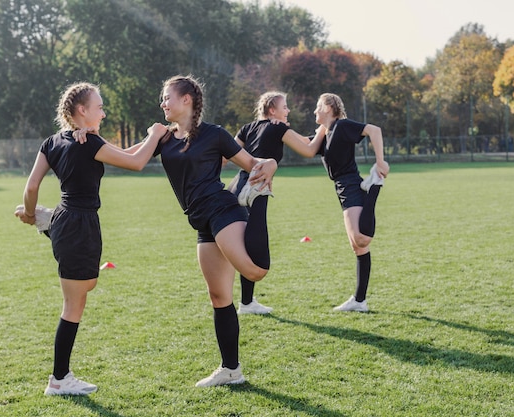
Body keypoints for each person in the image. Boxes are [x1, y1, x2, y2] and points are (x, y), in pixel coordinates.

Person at [14, 82, 168, 396]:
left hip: (71, 220)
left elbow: (31, 188)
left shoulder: (55, 142)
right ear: (82, 110)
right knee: (74, 304)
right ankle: (59, 379)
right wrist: (154, 134)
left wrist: (30, 213)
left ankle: (47, 221)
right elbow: (137, 163)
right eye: (99, 106)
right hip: (79, 224)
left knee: (86, 287)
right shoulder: (88, 142)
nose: (104, 111)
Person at [154, 75, 279, 387]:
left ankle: (257, 200)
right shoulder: (164, 138)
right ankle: (231, 370)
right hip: (200, 221)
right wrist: (87, 133)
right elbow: (122, 155)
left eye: (167, 97)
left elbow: (254, 163)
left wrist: (272, 163)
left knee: (255, 271)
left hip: (222, 210)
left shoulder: (214, 135)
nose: (163, 103)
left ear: (187, 100)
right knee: (219, 295)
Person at [230, 91, 326, 315]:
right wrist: (325, 128)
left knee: (241, 245)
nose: (288, 110)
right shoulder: (277, 128)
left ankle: (246, 302)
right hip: (255, 188)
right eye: (285, 107)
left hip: (235, 187)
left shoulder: (248, 128)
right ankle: (245, 303)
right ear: (272, 110)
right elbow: (310, 149)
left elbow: (226, 156)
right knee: (255, 250)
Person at [313, 93, 389, 312]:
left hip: (351, 184)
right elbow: (306, 145)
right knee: (357, 247)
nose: (315, 111)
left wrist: (380, 161)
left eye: (318, 107)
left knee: (361, 239)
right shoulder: (325, 134)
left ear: (328, 107)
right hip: (342, 187)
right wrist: (280, 128)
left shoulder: (342, 126)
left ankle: (374, 186)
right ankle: (359, 300)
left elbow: (374, 130)